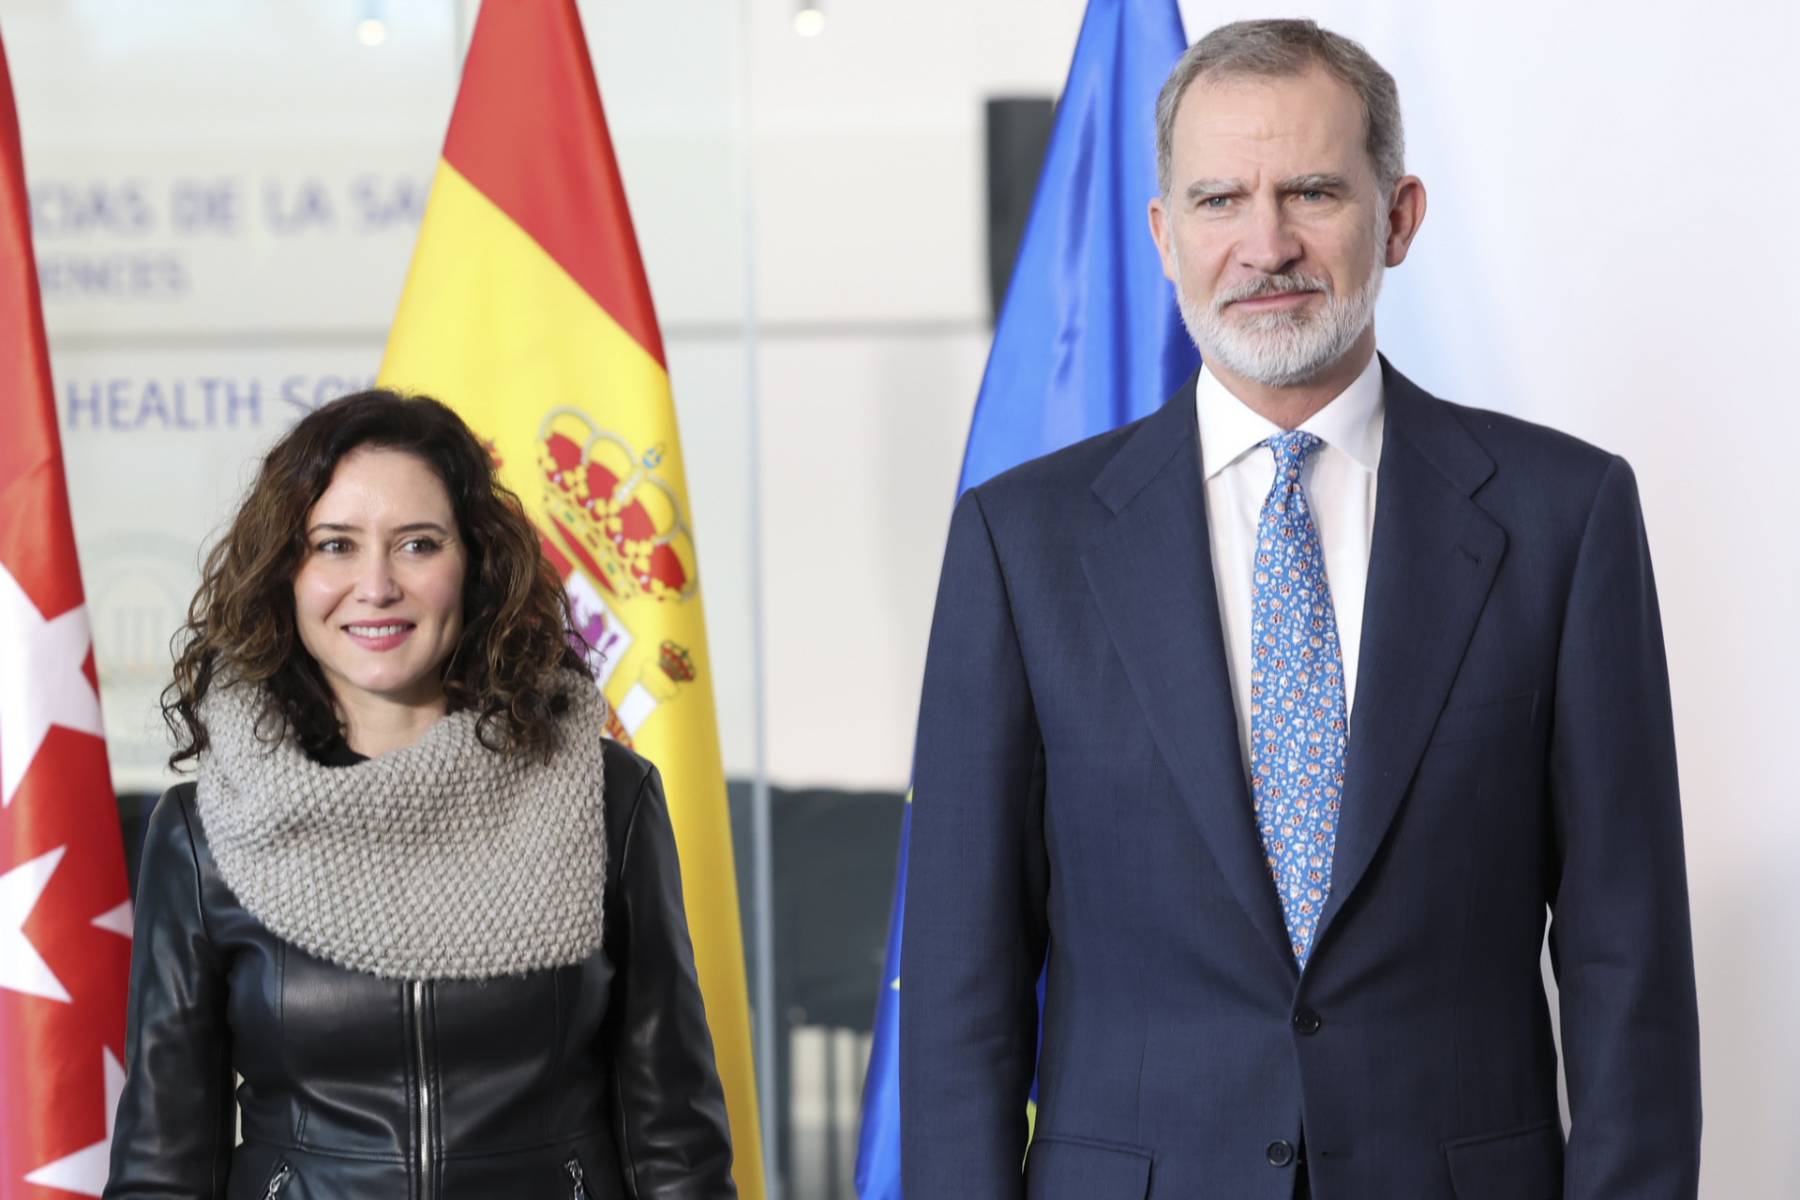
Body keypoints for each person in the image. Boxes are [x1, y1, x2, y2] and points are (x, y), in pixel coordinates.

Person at [900, 18, 1700, 1200]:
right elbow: (964, 982)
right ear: (1166, 238)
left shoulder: (1564, 519)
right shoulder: (1022, 543)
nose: (1263, 244)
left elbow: (1626, 962)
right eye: (1219, 200)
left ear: (1400, 215)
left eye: (1313, 191)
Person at [106, 390, 737, 1198]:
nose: (375, 585)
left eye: (417, 544)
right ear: (286, 576)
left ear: (474, 565)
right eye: (334, 545)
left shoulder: (605, 797)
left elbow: (675, 1143)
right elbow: (164, 1163)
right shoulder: (207, 832)